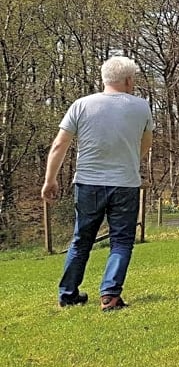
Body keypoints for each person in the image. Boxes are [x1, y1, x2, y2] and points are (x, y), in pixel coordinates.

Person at [42, 56, 154, 311]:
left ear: (104, 79)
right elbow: (146, 143)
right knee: (122, 240)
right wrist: (129, 160)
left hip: (88, 182)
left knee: (81, 240)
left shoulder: (82, 105)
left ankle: (68, 294)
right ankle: (110, 295)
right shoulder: (141, 107)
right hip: (125, 183)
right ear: (128, 80)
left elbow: (60, 144)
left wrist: (50, 179)